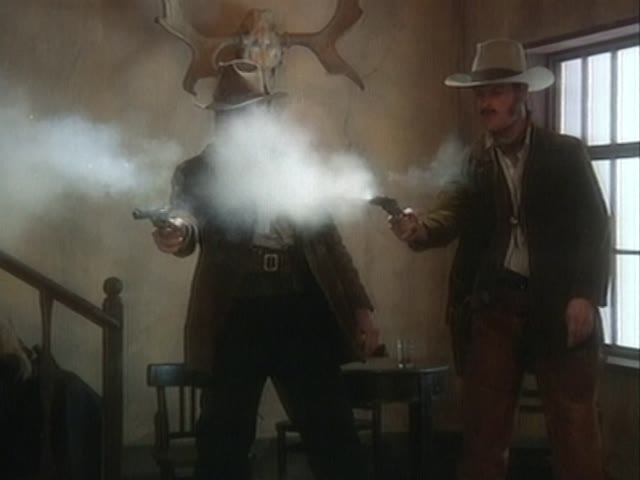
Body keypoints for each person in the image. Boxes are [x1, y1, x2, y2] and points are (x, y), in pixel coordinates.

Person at [389, 39, 610, 480]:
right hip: (495, 307)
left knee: (575, 436)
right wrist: (420, 229)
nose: (484, 103)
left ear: (521, 95)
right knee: (483, 440)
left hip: (557, 305)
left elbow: (594, 225)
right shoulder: (476, 160)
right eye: (480, 93)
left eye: (495, 92)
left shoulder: (564, 153)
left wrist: (584, 295)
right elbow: (451, 212)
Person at [151, 59, 378, 480]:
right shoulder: (197, 172)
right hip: (235, 310)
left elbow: (329, 241)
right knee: (222, 441)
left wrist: (360, 307)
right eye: (228, 115)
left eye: (247, 113)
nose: (236, 123)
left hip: (299, 306)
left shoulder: (296, 164)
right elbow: (187, 218)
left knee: (334, 436)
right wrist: (177, 232)